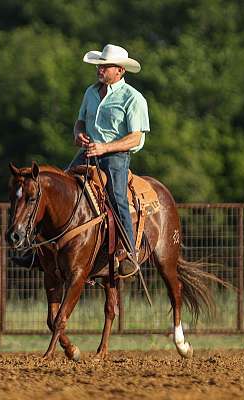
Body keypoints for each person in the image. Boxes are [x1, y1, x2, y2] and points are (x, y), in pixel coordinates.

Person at [68, 44, 150, 279]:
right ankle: (42, 248)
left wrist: (106, 147)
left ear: (120, 71)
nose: (100, 69)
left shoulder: (133, 98)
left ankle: (130, 252)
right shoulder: (90, 92)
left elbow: (136, 137)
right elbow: (80, 122)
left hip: (116, 156)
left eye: (105, 66)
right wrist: (78, 133)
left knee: (117, 197)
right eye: (99, 65)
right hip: (90, 151)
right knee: (61, 186)